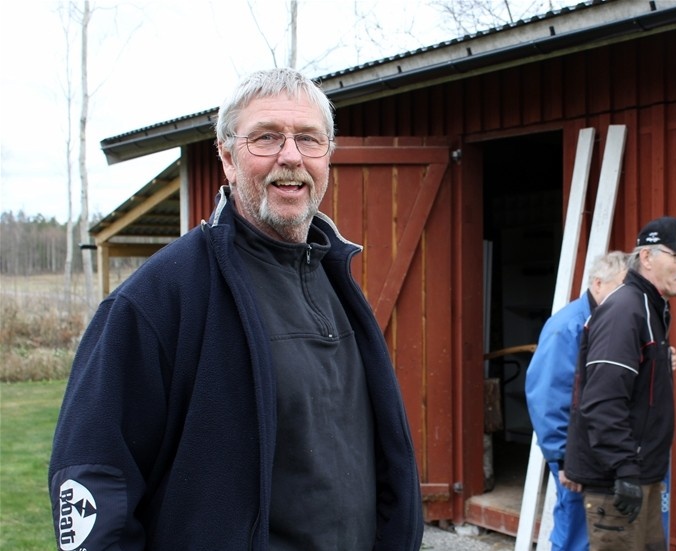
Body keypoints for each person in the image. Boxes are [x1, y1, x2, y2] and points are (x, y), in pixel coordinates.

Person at [48, 68, 423, 550]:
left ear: (327, 156)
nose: (291, 156)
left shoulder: (337, 284)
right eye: (266, 138)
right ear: (227, 156)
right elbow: (94, 483)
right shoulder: (158, 299)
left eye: (309, 139)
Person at [563, 216, 676, 551]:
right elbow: (602, 401)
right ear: (646, 258)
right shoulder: (625, 311)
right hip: (619, 481)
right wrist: (625, 470)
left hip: (640, 475)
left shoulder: (650, 307)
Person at [524, 251, 630, 551]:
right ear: (598, 283)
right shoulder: (567, 326)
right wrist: (562, 459)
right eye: (621, 287)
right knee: (575, 535)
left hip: (604, 452)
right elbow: (546, 398)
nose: (628, 297)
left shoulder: (615, 321)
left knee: (601, 534)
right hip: (576, 458)